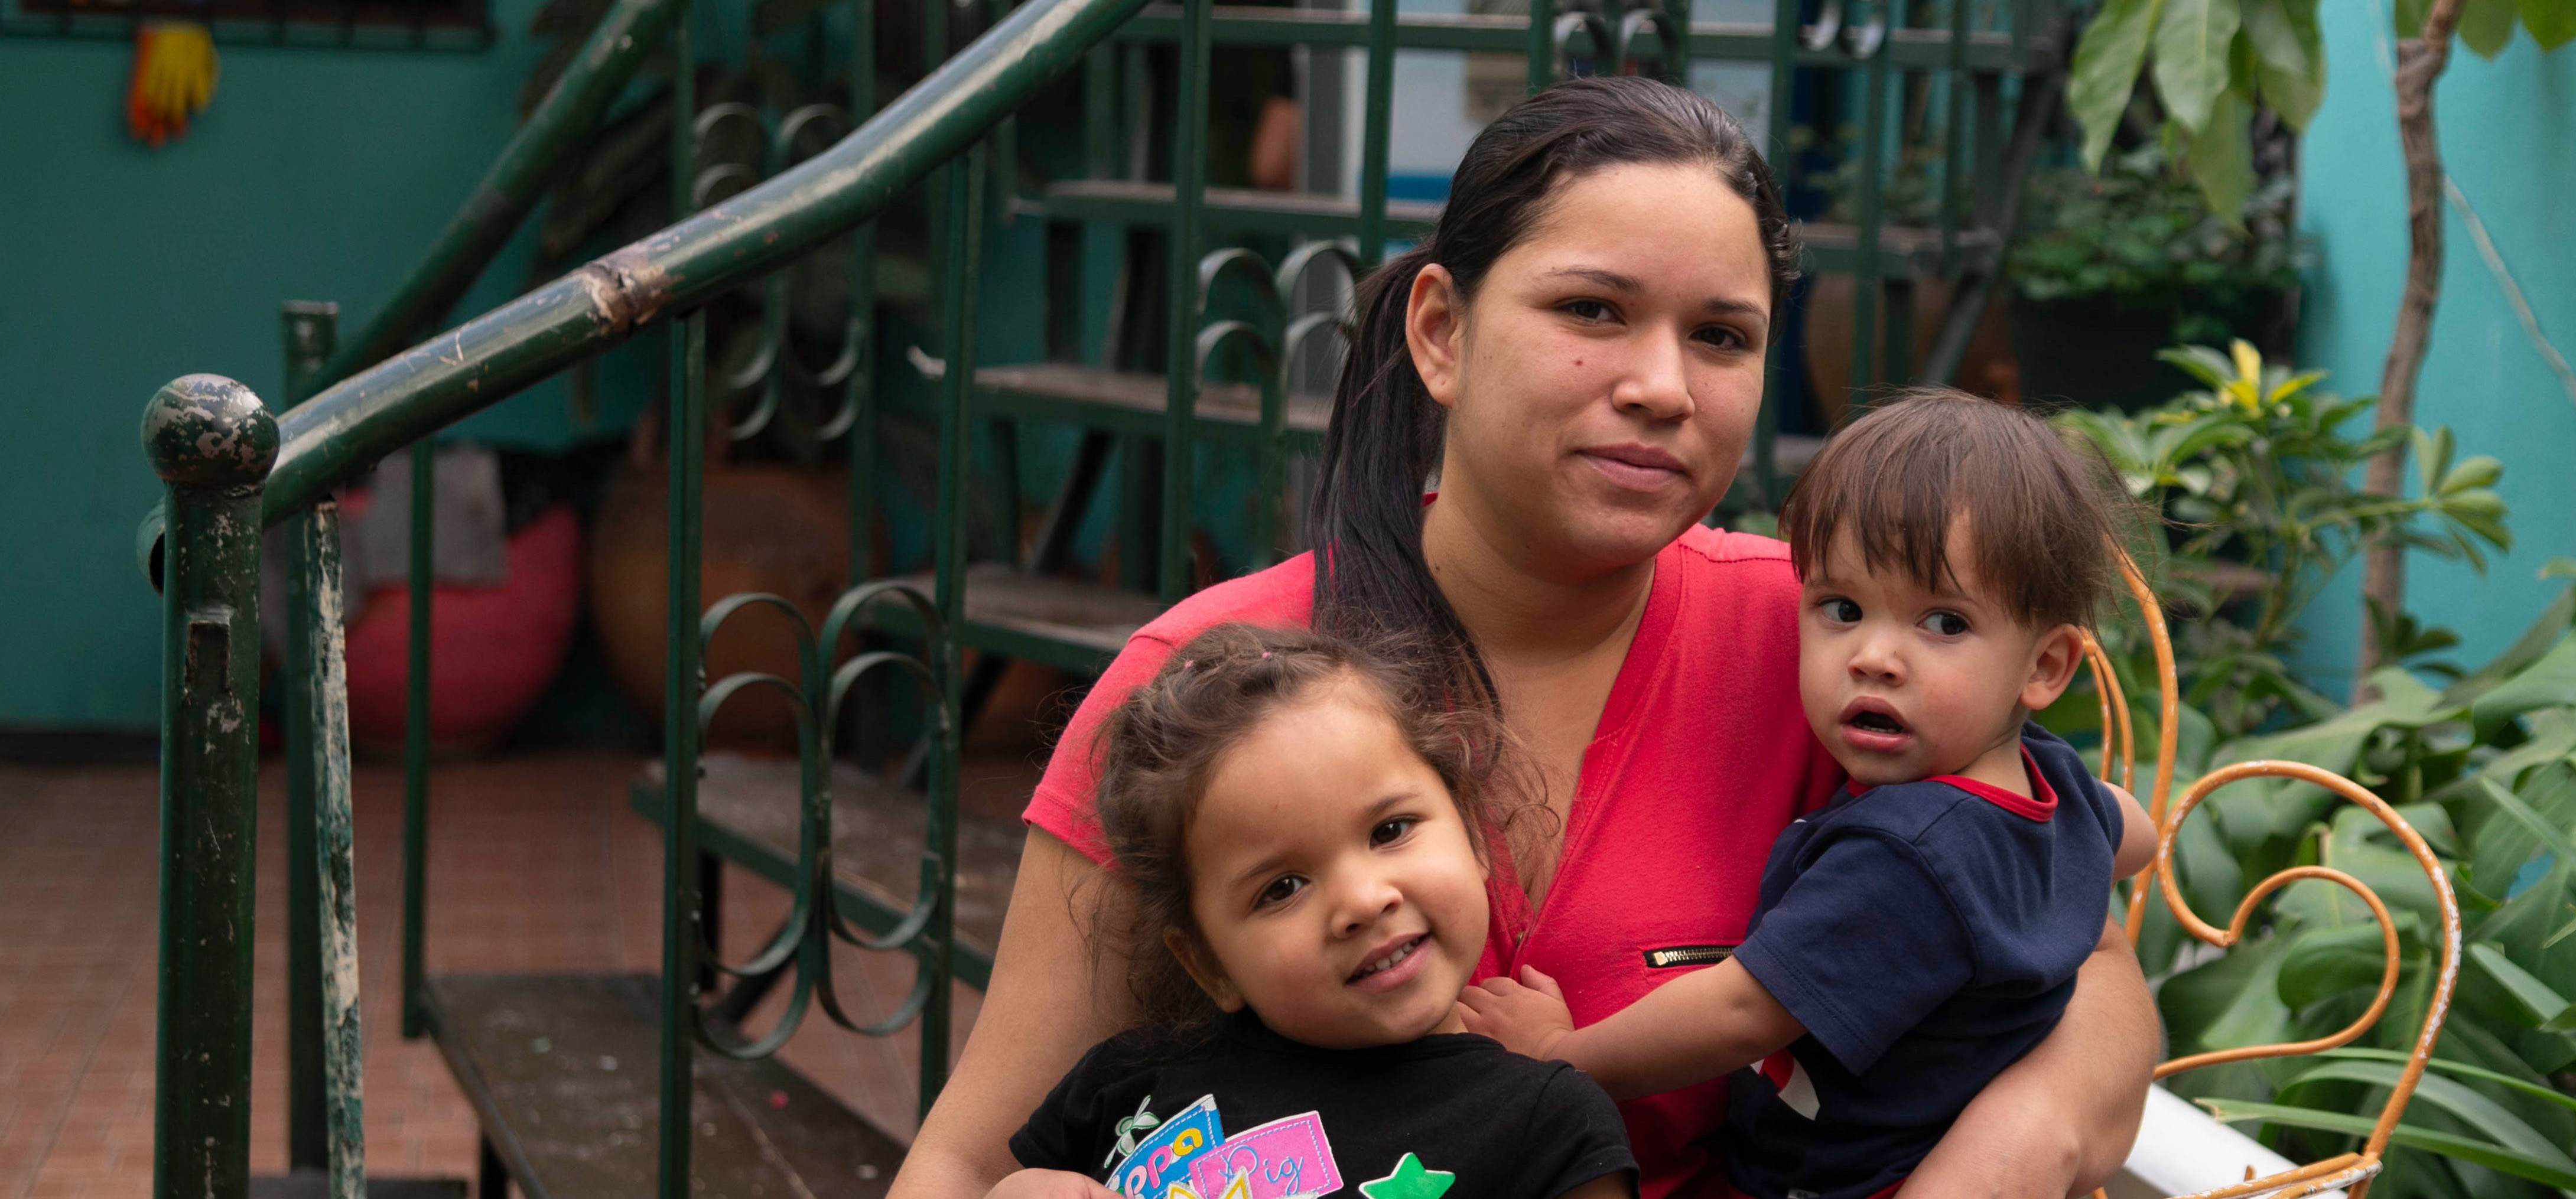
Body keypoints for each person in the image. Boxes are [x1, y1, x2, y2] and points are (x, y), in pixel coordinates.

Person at [893, 76, 2155, 1199]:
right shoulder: (1221, 689)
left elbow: (2078, 952)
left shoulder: (1834, 649)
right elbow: (974, 1159)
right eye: (1592, 310)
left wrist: (2023, 1141)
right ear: (1441, 332)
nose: (1662, 384)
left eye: (1720, 335)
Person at [1455, 392, 2155, 1199]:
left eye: (1943, 623)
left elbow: (1737, 1014)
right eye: (1842, 609)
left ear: (2045, 666)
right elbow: (2129, 834)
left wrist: (1562, 1054)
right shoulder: (2051, 783)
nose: (1875, 657)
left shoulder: (1901, 857)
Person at [996, 625, 1635, 1199]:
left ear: (1471, 832)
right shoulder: (1125, 1081)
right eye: (1283, 887)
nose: (1362, 900)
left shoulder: (1548, 1125)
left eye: (1390, 829)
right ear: (1207, 963)